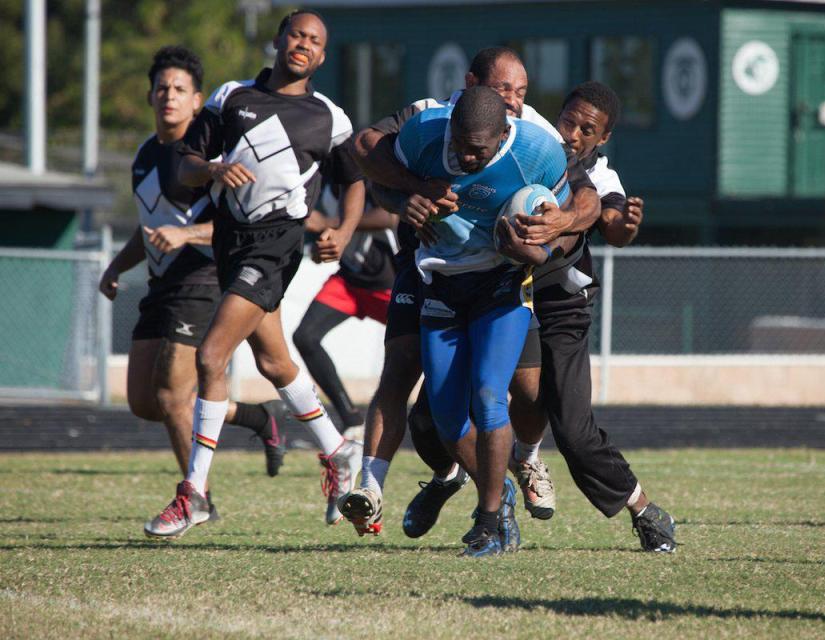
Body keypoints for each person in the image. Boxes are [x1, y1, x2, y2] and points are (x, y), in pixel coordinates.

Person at [404, 81, 678, 553]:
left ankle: (640, 508)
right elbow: (377, 150)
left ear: (603, 138)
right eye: (569, 119)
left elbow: (604, 219)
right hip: (495, 285)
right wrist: (412, 195)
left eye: (585, 129)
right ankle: (451, 477)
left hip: (557, 303)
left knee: (567, 424)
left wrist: (565, 231)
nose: (572, 133)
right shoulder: (532, 139)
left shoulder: (598, 177)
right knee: (431, 417)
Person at [340, 47, 599, 538]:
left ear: (506, 133)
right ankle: (463, 489)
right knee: (442, 411)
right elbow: (370, 157)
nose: (467, 157)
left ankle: (494, 511)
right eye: (504, 90)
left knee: (495, 396)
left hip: (500, 286)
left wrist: (546, 236)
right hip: (437, 281)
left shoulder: (536, 145)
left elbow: (580, 204)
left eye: (520, 93)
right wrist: (409, 196)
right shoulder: (425, 126)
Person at [144, 10, 364, 539]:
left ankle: (194, 492)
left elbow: (355, 180)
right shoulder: (230, 97)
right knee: (274, 361)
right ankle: (338, 452)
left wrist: (345, 229)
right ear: (279, 40)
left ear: (322, 55)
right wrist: (215, 169)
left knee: (210, 356)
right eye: (296, 34)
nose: (303, 44)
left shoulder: (328, 118)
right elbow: (186, 164)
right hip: (231, 243)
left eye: (315, 40)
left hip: (276, 249)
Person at [99, 46, 287, 509]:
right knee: (144, 401)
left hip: (205, 278)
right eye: (162, 88)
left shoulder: (211, 159)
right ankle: (256, 417)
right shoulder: (144, 156)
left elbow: (239, 224)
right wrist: (116, 267)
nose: (169, 96)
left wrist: (186, 235)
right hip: (162, 286)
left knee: (171, 395)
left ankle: (197, 499)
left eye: (180, 89)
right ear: (149, 96)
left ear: (198, 100)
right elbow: (150, 229)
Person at [294, 183, 397, 438]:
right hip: (349, 281)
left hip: (389, 282)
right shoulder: (323, 182)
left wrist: (329, 222)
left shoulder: (366, 177)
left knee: (424, 351)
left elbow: (390, 216)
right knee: (305, 337)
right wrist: (321, 248)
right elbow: (321, 233)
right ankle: (351, 419)